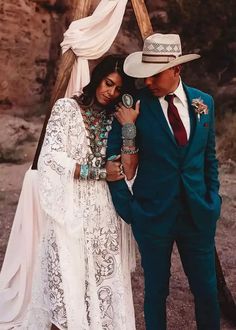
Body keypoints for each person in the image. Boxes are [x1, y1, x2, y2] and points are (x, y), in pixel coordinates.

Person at [6, 55, 138, 330]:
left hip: (104, 210)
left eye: (117, 89)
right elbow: (51, 158)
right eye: (108, 83)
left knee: (99, 280)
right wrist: (99, 173)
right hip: (69, 206)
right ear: (98, 77)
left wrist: (128, 128)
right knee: (65, 278)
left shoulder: (116, 120)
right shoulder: (66, 108)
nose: (110, 92)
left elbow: (127, 170)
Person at [106, 33, 221, 330]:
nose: (147, 82)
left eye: (154, 75)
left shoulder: (203, 102)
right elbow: (113, 160)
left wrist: (213, 201)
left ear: (176, 70)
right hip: (152, 215)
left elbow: (209, 158)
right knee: (156, 293)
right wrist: (128, 209)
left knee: (206, 292)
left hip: (198, 215)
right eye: (144, 75)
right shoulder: (134, 105)